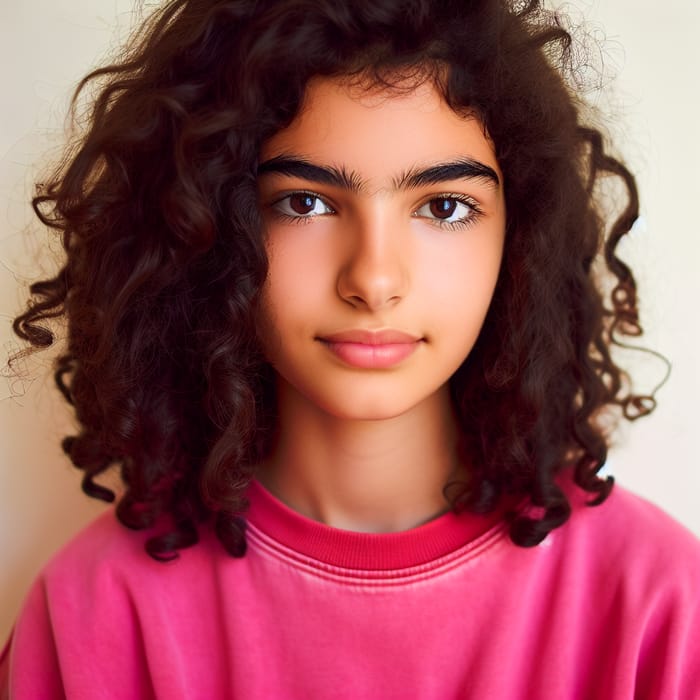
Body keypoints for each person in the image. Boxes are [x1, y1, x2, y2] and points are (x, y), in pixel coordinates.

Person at [2, 0, 699, 697]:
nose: (373, 279)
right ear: (205, 226)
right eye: (305, 203)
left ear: (520, 240)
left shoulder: (657, 606)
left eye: (444, 206)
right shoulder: (92, 615)